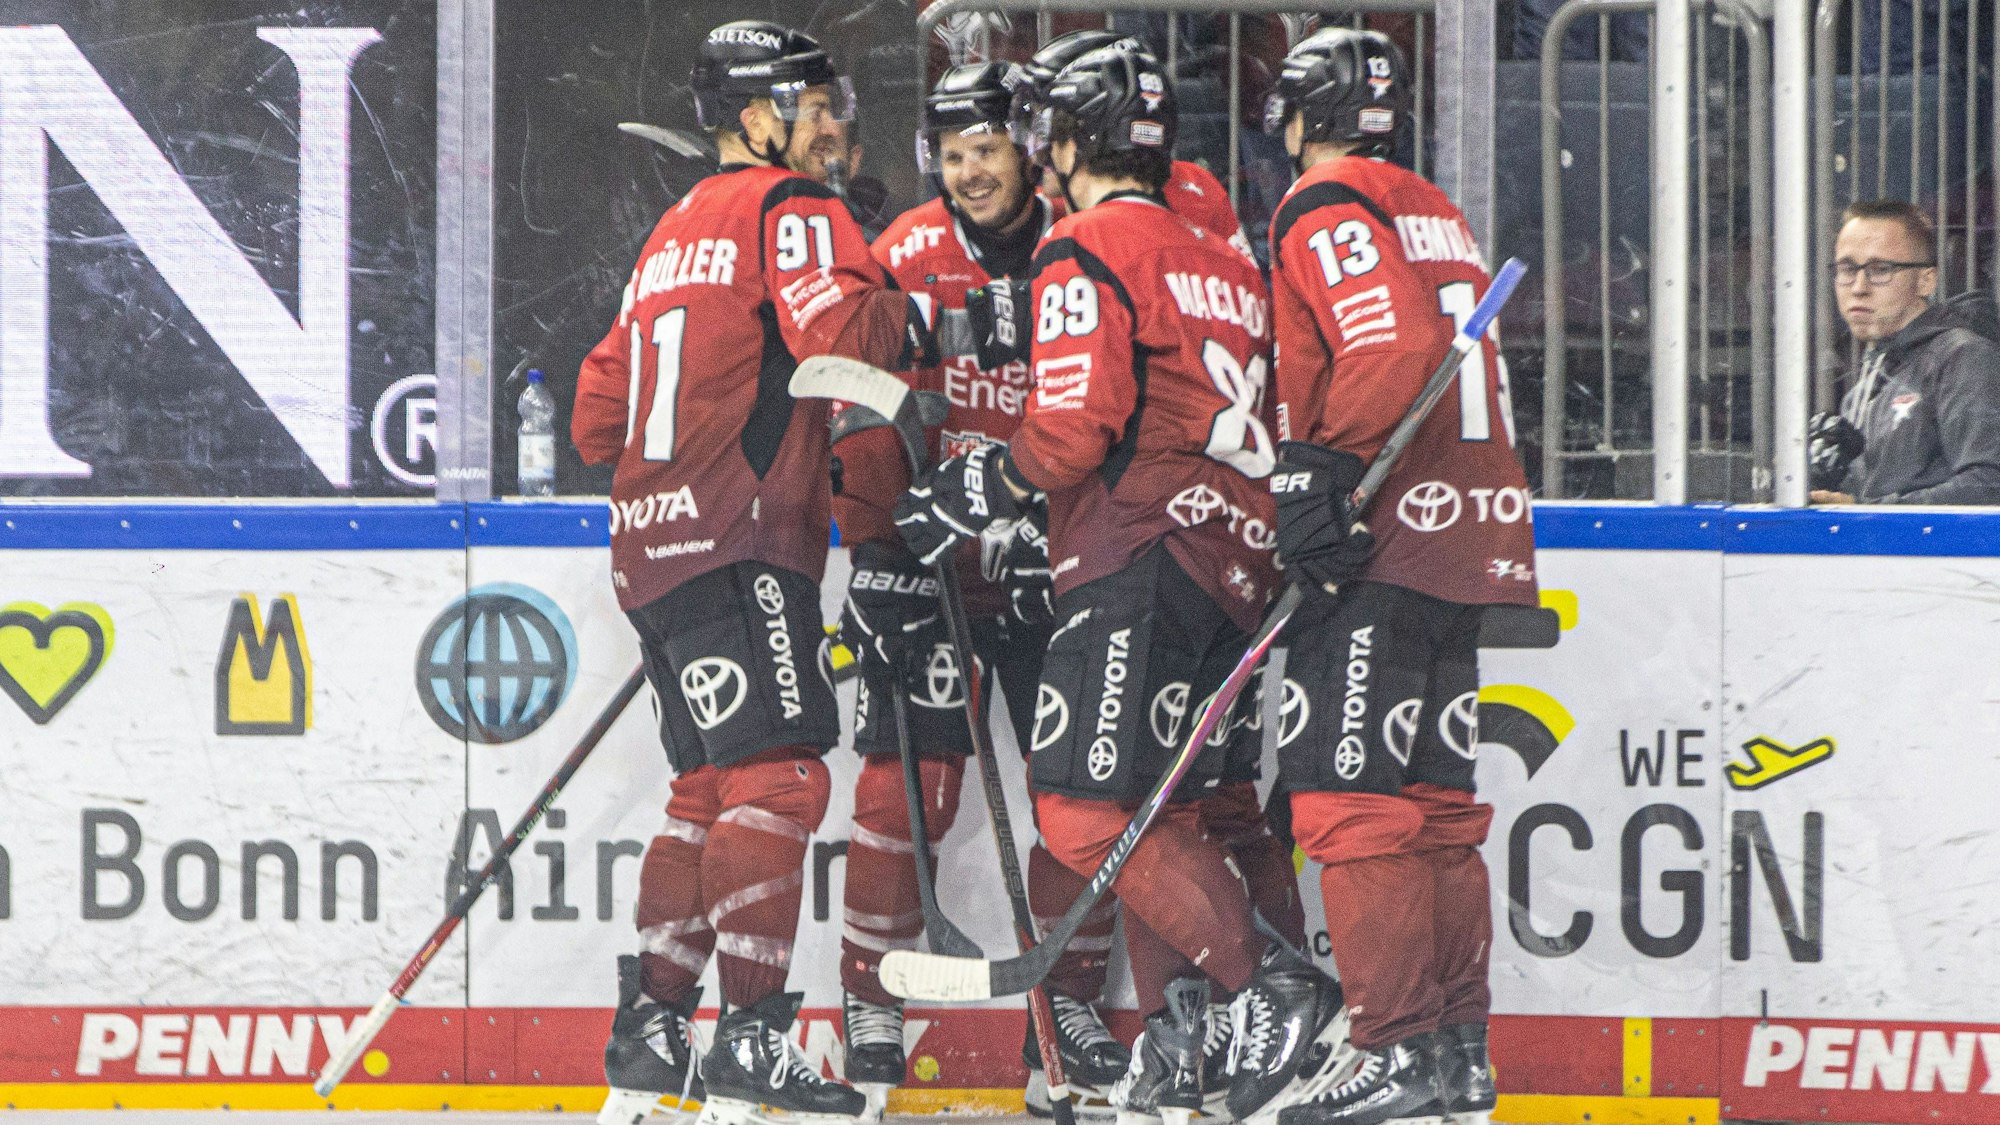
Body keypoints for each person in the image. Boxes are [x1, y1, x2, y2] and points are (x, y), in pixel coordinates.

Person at [893, 44, 1298, 1125]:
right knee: (1168, 811)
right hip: (1232, 567)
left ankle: (1269, 989)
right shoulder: (1218, 252)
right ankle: (1184, 1035)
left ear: (1069, 140)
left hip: (1139, 560)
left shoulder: (1087, 245)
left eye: (1040, 134)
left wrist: (981, 482)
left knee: (1080, 811)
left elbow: (1073, 429)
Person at [571, 20, 935, 1125]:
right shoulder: (798, 212)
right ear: (754, 116)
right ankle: (754, 1042)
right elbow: (846, 342)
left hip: (651, 546)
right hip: (743, 537)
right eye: (811, 106)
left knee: (704, 789)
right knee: (781, 778)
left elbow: (596, 420)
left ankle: (649, 1037)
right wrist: (890, 288)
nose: (833, 126)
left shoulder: (670, 231)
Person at [1235, 28, 1540, 1125]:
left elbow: (1391, 346)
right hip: (1467, 536)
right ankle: (1457, 1051)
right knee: (1435, 805)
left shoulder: (1322, 205)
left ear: (1295, 116)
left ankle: (1391, 1050)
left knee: (1347, 801)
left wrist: (1316, 477)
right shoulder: (1432, 208)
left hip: (1385, 539)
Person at [830, 61, 1131, 1120]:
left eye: (987, 151)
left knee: (1081, 801)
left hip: (1059, 564)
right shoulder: (904, 250)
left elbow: (1108, 408)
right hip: (933, 567)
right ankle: (869, 1002)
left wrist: (1050, 529)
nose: (969, 175)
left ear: (1028, 148)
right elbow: (862, 406)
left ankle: (1068, 1013)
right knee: (907, 788)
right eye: (951, 156)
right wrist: (874, 550)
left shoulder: (1080, 245)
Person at [1808, 200, 2000, 506]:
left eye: (1880, 269)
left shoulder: (1964, 357)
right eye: (1847, 269)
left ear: (1926, 280)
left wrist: (1866, 514)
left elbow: (1989, 485)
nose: (1859, 286)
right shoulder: (1873, 373)